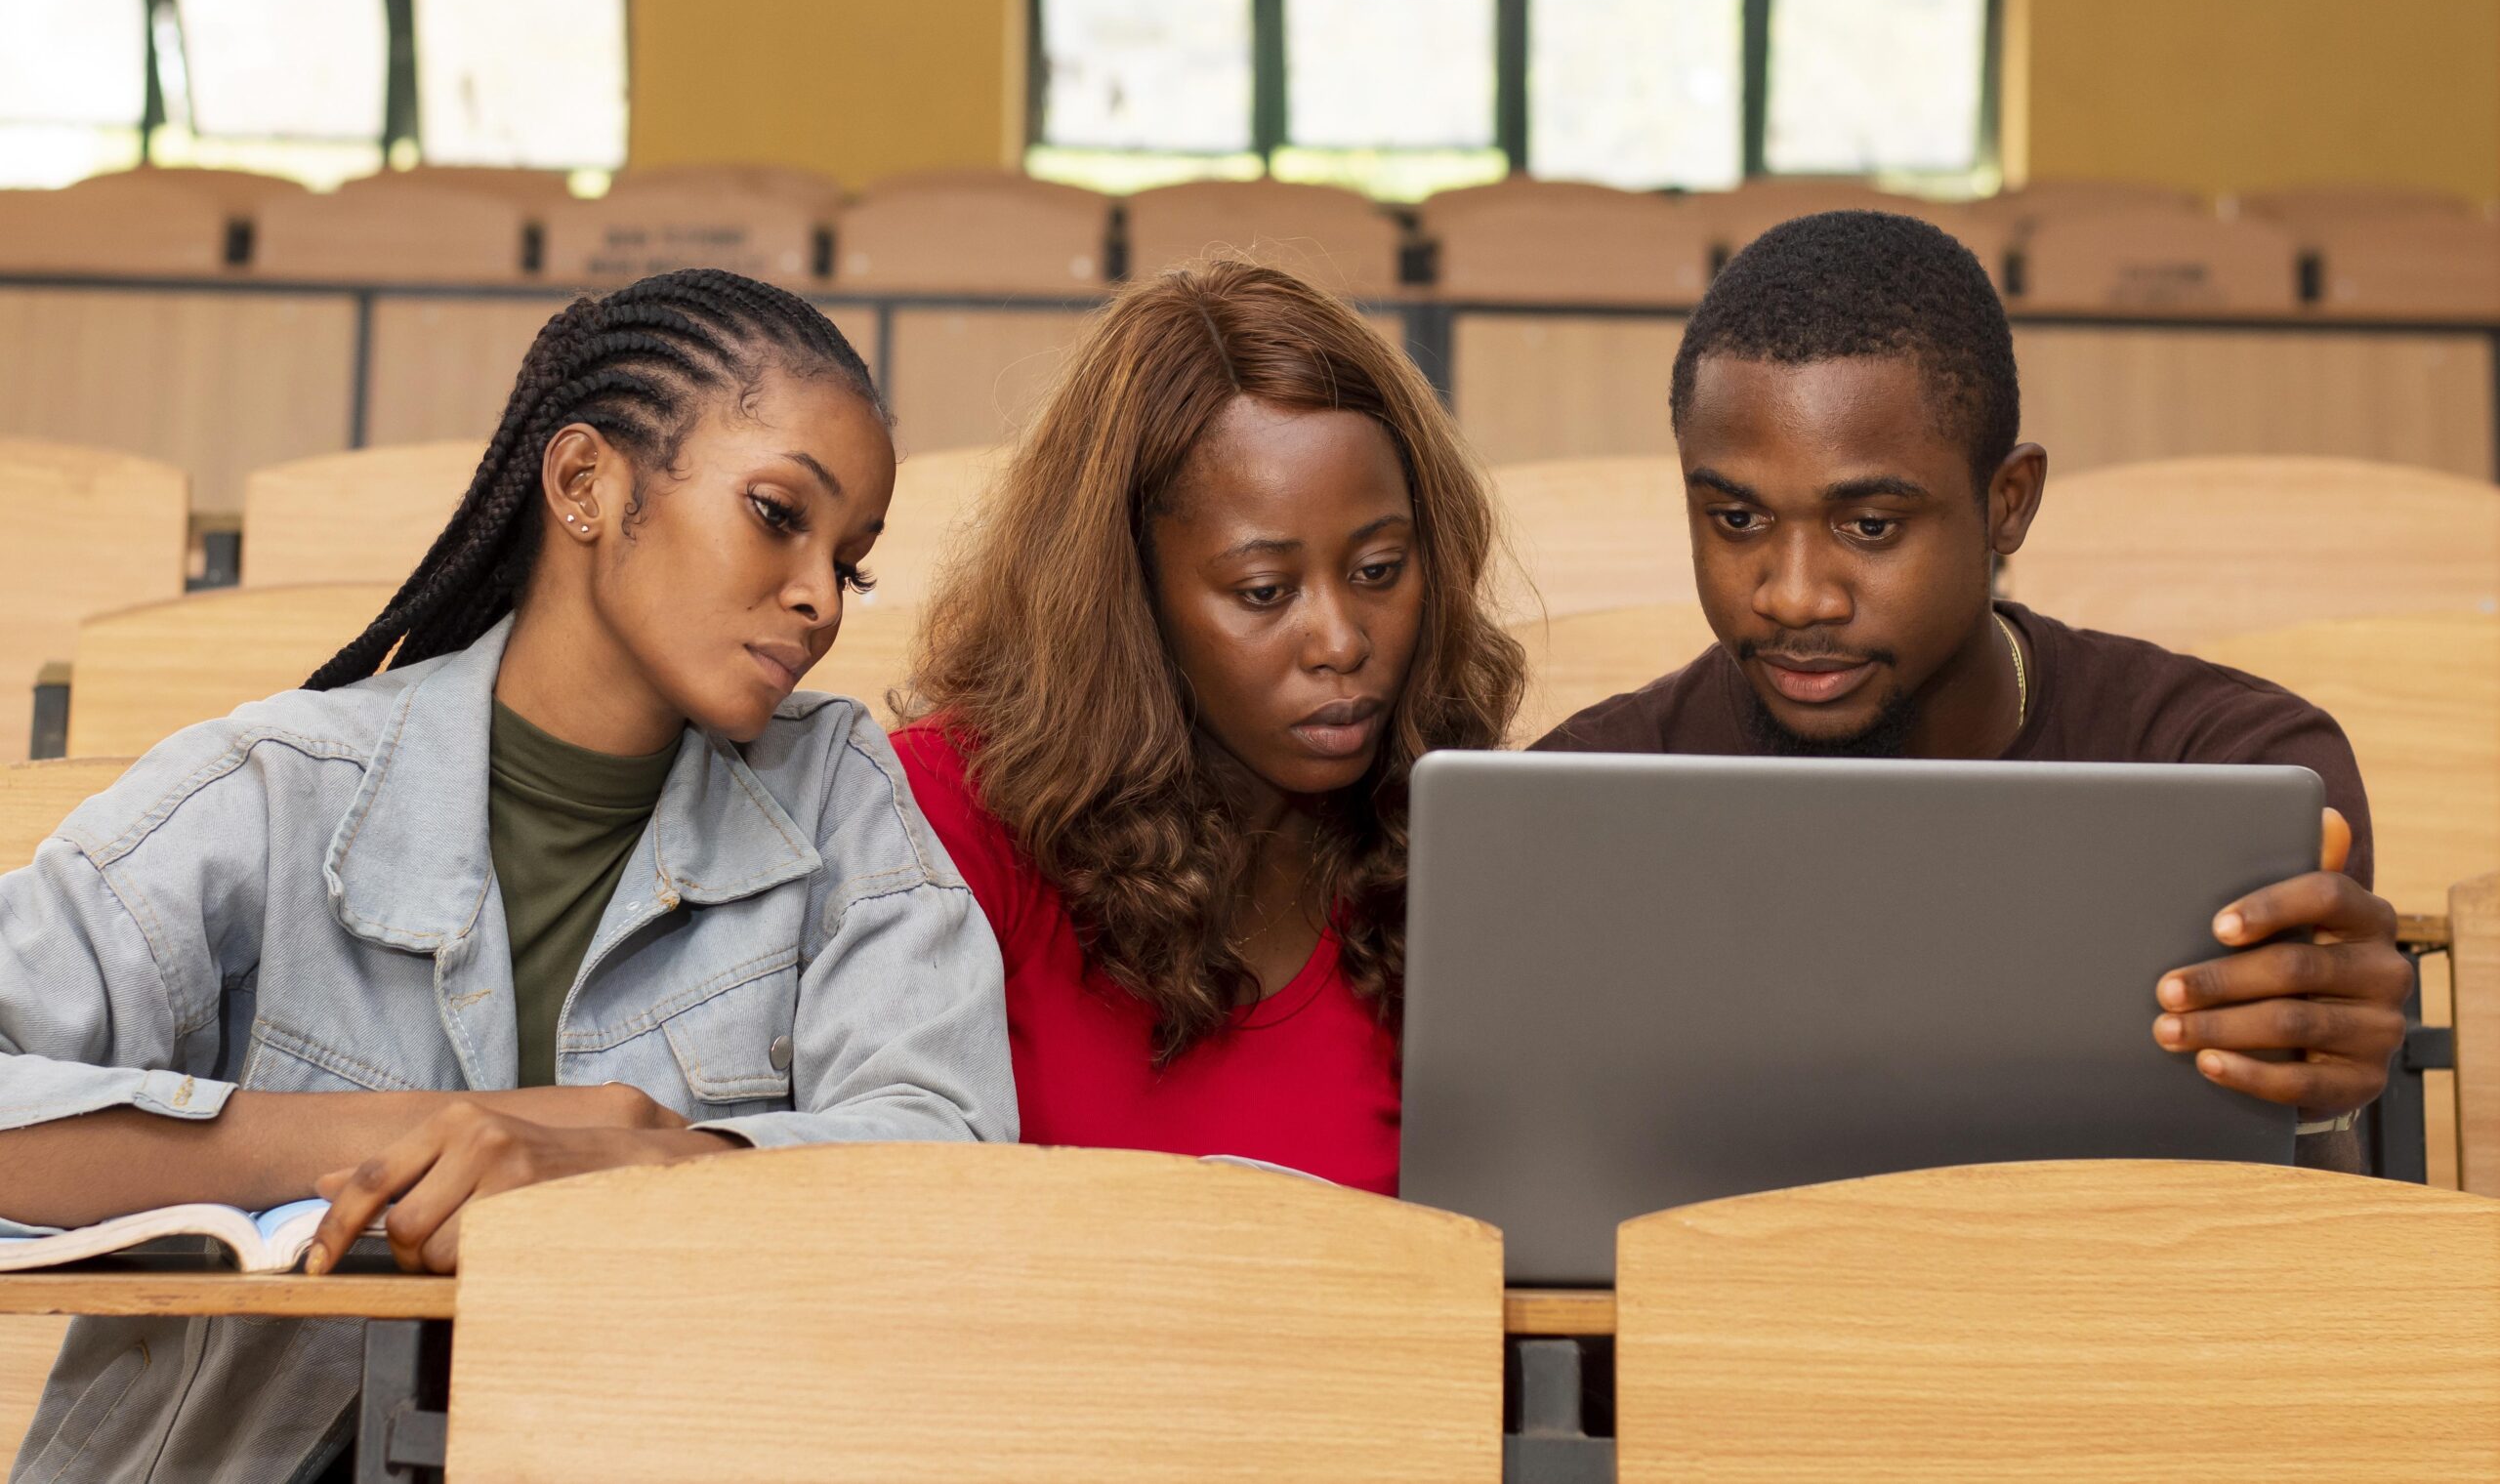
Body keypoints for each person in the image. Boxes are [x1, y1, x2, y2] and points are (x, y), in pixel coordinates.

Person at [0, 268, 1015, 1482]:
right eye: (775, 513)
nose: (815, 597)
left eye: (848, 563)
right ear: (587, 484)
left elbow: (944, 1156)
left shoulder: (837, 791)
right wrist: (408, 1139)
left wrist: (636, 1155)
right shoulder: (277, 787)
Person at [1534, 210, 2412, 1171]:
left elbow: (2272, 1177)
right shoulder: (1579, 794)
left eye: (1869, 524)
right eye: (1735, 517)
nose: (1792, 595)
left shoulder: (2231, 763)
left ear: (2007, 502)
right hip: (1711, 1308)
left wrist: (2325, 1102)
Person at [889, 260, 1525, 1193]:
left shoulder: (1458, 835)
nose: (1343, 642)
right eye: (1263, 592)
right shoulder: (945, 813)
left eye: (1381, 570)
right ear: (1129, 594)